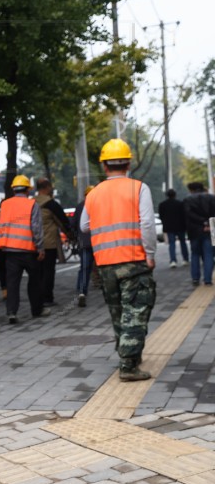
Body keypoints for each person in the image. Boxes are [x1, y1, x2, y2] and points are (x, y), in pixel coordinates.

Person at [80, 139, 156, 382]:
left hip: (105, 265)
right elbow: (147, 223)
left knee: (118, 313)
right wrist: (151, 254)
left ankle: (128, 354)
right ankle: (128, 366)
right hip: (133, 261)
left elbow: (84, 226)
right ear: (128, 163)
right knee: (135, 312)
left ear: (104, 166)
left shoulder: (94, 194)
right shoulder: (138, 188)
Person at [0, 175, 47, 324]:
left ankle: (12, 312)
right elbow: (36, 228)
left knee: (12, 283)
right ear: (27, 190)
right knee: (34, 281)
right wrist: (41, 248)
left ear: (13, 190)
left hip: (10, 251)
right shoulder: (32, 205)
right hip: (29, 250)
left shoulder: (5, 204)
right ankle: (36, 310)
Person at [34, 177, 73, 307]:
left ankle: (37, 297)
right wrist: (71, 235)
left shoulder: (31, 204)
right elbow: (63, 222)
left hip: (32, 244)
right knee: (48, 271)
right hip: (48, 243)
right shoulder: (51, 204)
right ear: (47, 187)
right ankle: (47, 298)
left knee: (37, 272)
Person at [183, 182, 215, 286]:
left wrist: (201, 222)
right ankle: (208, 279)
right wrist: (207, 223)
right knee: (209, 254)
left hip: (194, 231)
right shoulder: (211, 198)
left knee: (195, 254)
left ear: (191, 189)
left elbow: (188, 214)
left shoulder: (187, 200)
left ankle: (195, 278)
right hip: (209, 230)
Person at [72, 185, 96, 307]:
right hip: (99, 242)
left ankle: (82, 291)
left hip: (85, 243)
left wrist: (76, 237)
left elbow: (74, 224)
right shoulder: (100, 205)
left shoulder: (80, 206)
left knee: (85, 268)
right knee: (103, 266)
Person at [158, 189, 189, 268]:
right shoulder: (180, 204)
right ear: (175, 195)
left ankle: (173, 260)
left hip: (169, 227)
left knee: (172, 244)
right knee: (183, 242)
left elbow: (161, 216)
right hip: (180, 226)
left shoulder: (162, 204)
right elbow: (184, 215)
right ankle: (185, 259)